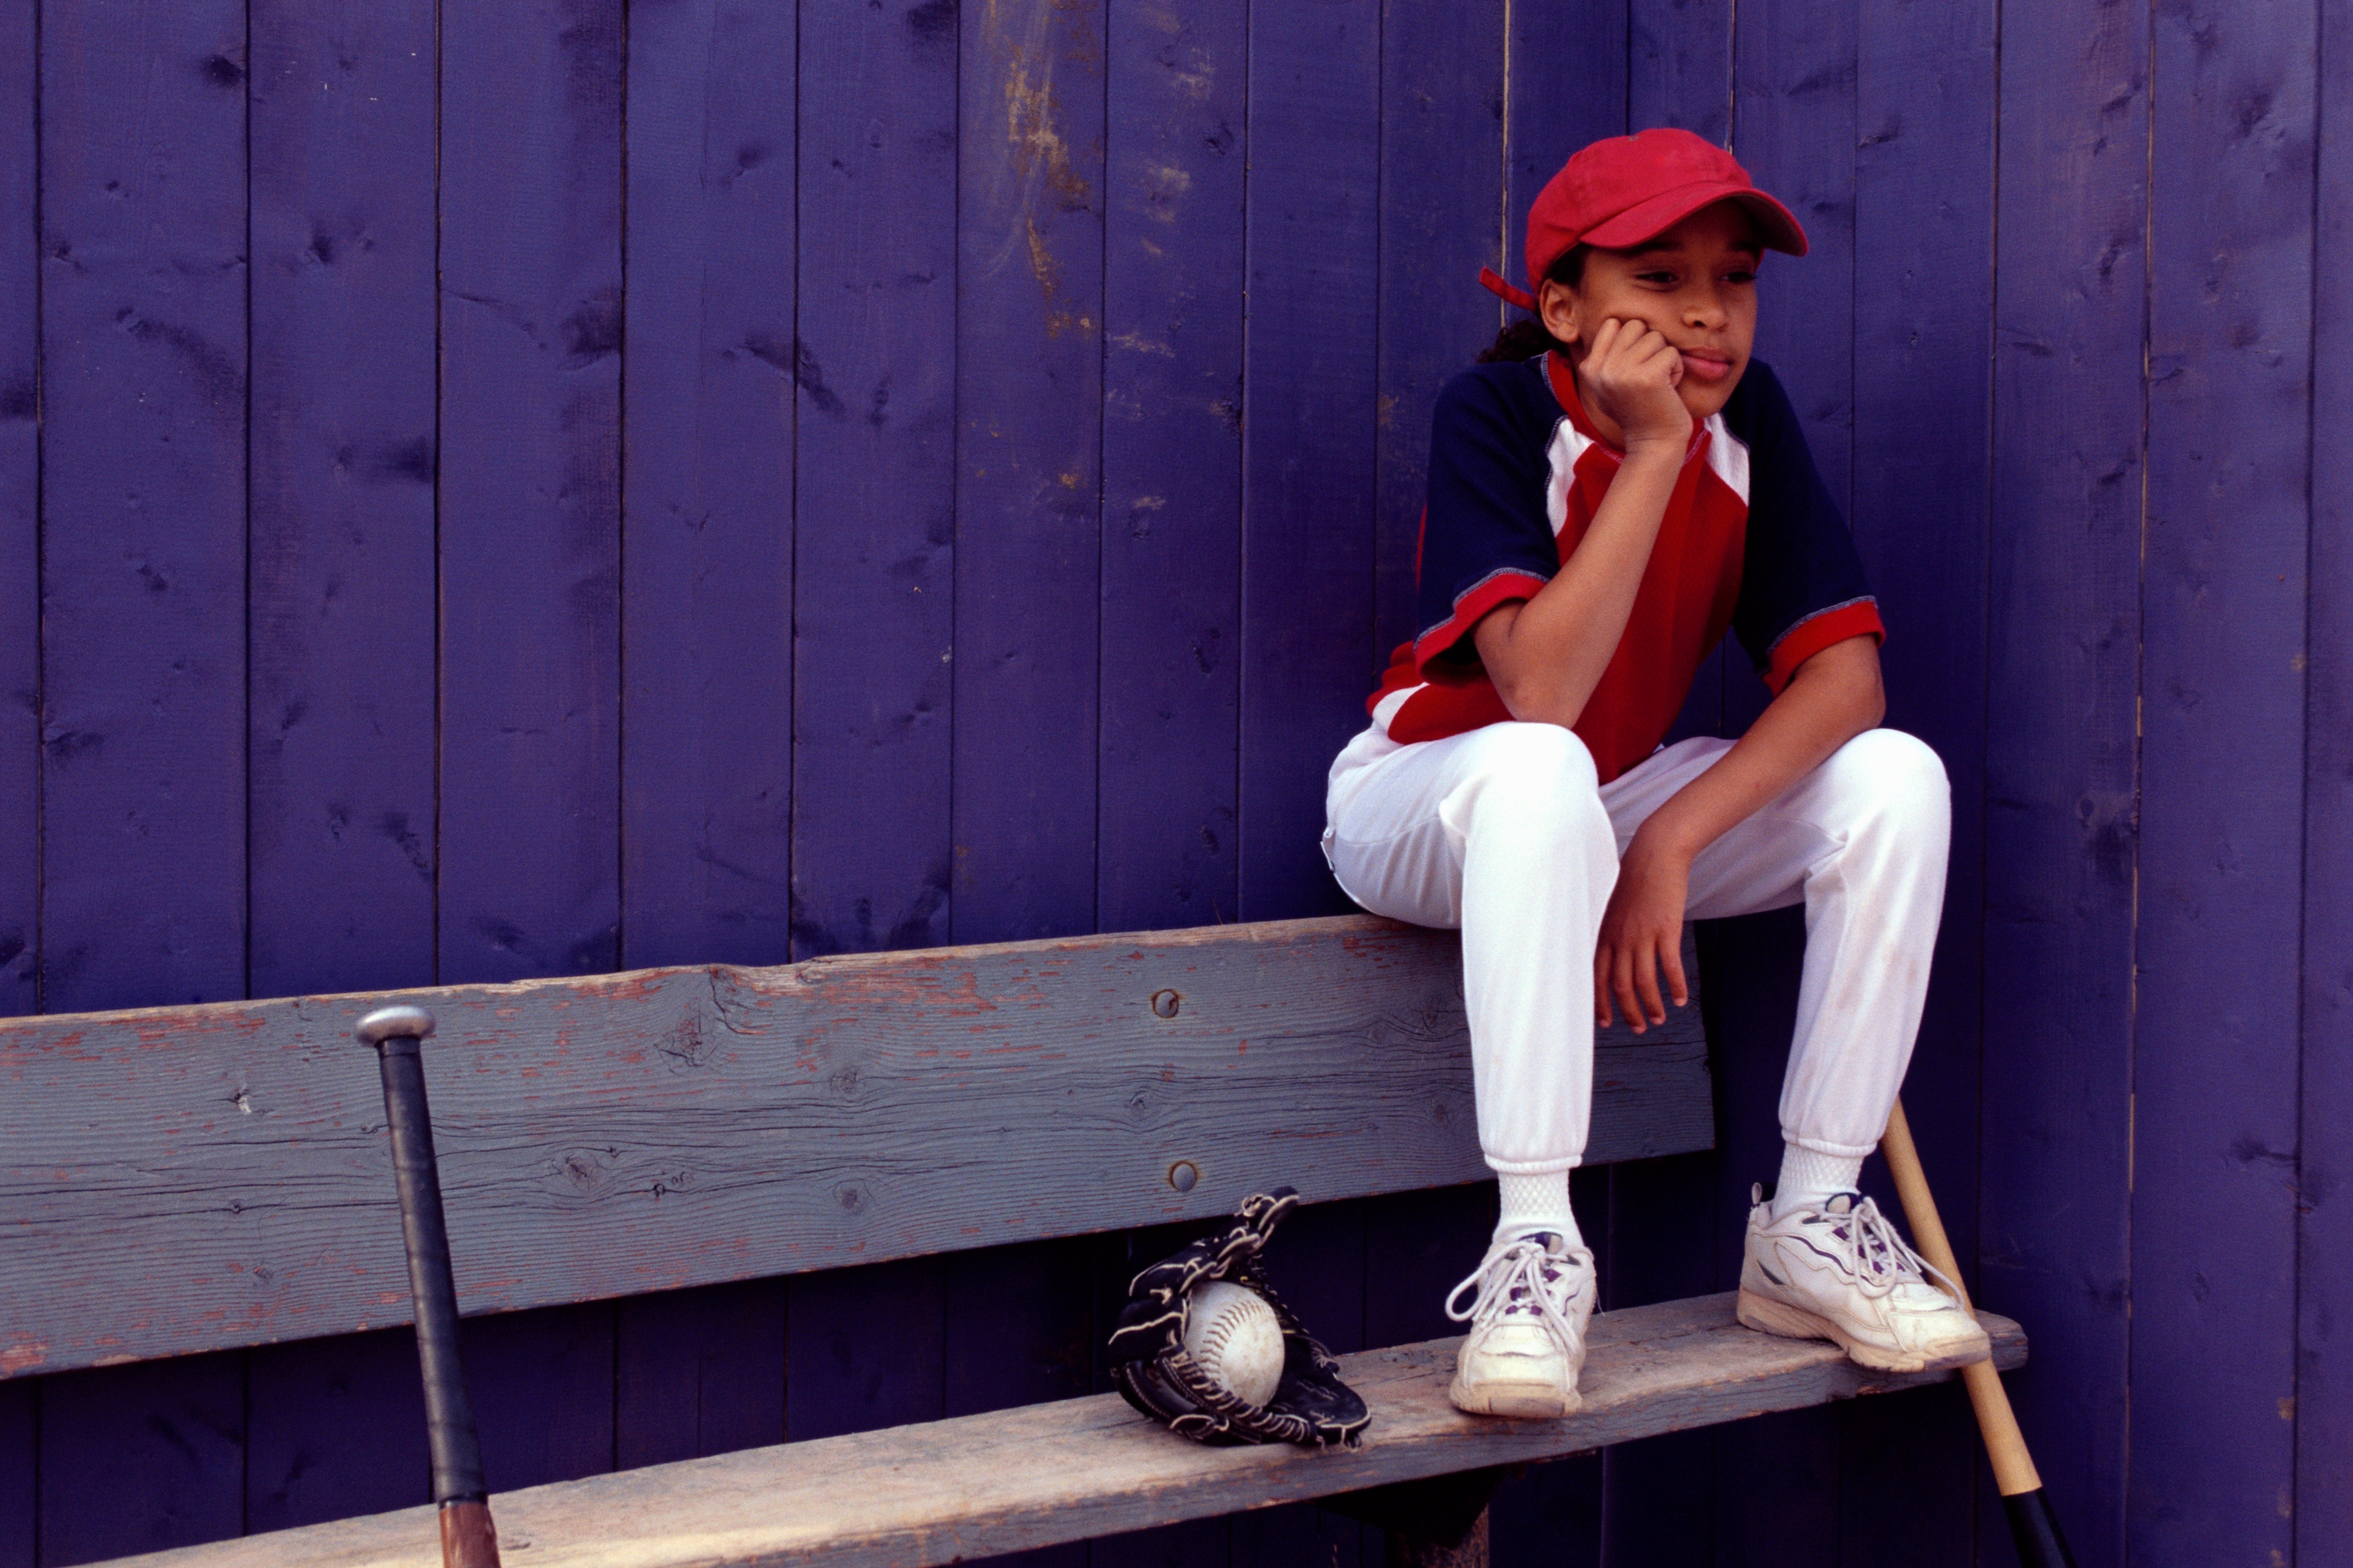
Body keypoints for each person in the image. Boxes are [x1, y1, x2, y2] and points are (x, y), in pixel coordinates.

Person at [1320, 128, 1990, 1418]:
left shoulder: (1754, 418)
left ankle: (1810, 1215)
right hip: (1431, 797)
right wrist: (1653, 451)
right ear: (1565, 310)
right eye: (1658, 278)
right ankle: (1535, 1245)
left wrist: (1672, 841)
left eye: (1733, 279)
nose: (1705, 312)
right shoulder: (1500, 412)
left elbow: (1848, 682)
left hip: (1602, 802)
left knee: (1895, 776)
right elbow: (1545, 693)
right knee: (1536, 766)